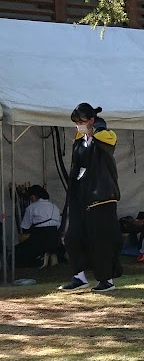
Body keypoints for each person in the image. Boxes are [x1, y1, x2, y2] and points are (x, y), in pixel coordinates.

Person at [59, 103, 122, 292]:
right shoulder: (80, 139)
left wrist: (96, 128)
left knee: (101, 239)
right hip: (80, 194)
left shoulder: (106, 136)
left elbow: (105, 138)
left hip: (101, 196)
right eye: (76, 122)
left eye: (82, 121)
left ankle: (106, 279)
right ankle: (79, 276)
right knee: (71, 235)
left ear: (92, 121)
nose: (78, 125)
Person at [15, 185, 61, 268]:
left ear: (33, 197)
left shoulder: (31, 207)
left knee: (19, 251)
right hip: (54, 236)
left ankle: (42, 258)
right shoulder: (55, 207)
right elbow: (59, 224)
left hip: (40, 237)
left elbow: (25, 226)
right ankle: (52, 256)